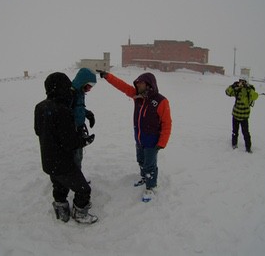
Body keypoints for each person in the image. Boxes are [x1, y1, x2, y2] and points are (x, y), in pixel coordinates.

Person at [97, 70, 172, 202]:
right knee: (141, 160)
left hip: (152, 140)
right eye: (137, 83)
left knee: (150, 164)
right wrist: (108, 76)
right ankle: (144, 178)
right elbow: (122, 86)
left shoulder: (161, 101)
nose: (138, 86)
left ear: (149, 84)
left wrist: (162, 142)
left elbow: (167, 123)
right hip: (139, 138)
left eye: (140, 83)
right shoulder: (137, 97)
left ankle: (151, 187)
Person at [34, 72, 98, 224]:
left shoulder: (40, 107)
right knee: (83, 190)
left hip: (48, 160)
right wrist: (85, 141)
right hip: (63, 161)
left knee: (59, 184)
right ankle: (80, 213)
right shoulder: (63, 110)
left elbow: (38, 130)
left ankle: (61, 208)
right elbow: (70, 143)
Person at [71, 68, 97, 170]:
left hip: (79, 128)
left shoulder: (80, 92)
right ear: (82, 81)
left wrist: (88, 114)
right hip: (72, 130)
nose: (89, 89)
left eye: (91, 87)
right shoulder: (71, 93)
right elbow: (66, 112)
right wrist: (73, 128)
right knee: (74, 157)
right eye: (88, 86)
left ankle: (77, 179)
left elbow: (78, 108)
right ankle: (74, 181)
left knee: (79, 156)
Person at [225, 77, 259, 153]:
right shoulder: (237, 89)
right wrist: (233, 86)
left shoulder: (249, 90)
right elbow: (227, 92)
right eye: (240, 81)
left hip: (244, 117)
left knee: (246, 133)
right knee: (235, 132)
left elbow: (255, 96)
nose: (241, 83)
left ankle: (248, 148)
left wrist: (248, 88)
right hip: (236, 114)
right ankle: (234, 144)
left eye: (243, 81)